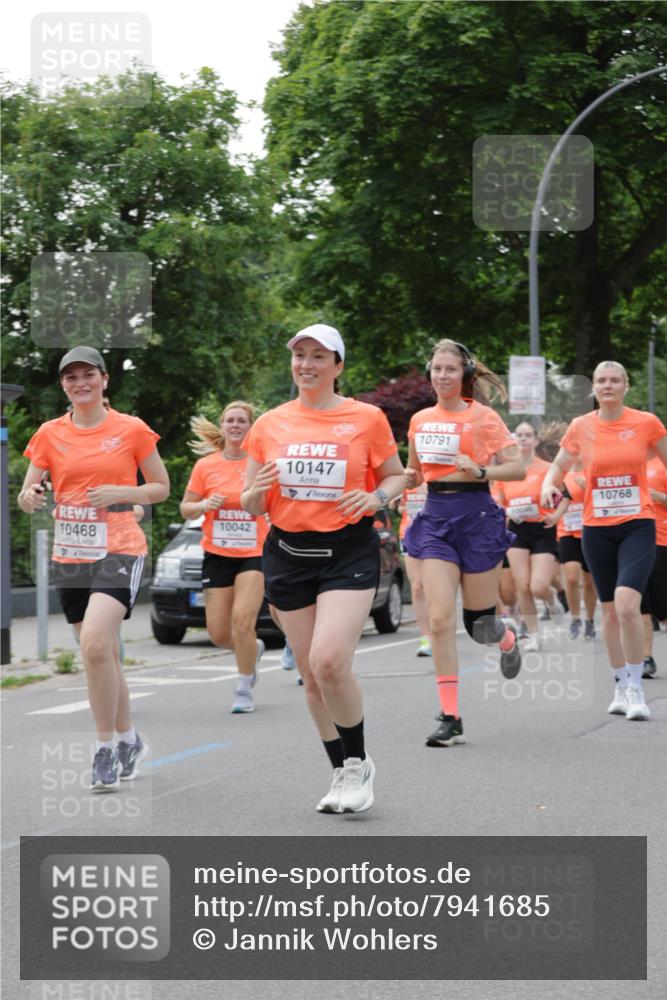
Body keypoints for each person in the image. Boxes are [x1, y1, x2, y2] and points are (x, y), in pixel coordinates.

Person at [241, 324, 404, 813]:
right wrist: (257, 491)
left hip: (347, 551)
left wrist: (375, 498)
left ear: (338, 366)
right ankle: (341, 769)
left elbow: (396, 476)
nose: (306, 364)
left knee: (329, 661)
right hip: (288, 553)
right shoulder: (269, 424)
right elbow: (250, 502)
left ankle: (357, 764)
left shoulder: (366, 418)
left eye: (318, 356)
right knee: (312, 675)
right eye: (300, 355)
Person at [18, 346, 169, 790]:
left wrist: (123, 492)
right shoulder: (49, 433)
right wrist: (30, 497)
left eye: (88, 375)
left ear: (104, 380)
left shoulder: (131, 429)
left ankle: (104, 750)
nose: (80, 383)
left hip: (120, 548)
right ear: (63, 386)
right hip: (71, 554)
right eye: (71, 377)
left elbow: (160, 487)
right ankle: (130, 740)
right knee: (99, 654)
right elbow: (28, 493)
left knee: (97, 644)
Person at [403, 339, 525, 748]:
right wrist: (405, 478)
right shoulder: (420, 420)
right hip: (436, 519)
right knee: (439, 620)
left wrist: (481, 470)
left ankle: (506, 638)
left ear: (465, 374)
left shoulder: (483, 417)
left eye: (450, 369)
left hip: (477, 518)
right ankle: (450, 717)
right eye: (437, 369)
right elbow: (415, 471)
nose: (442, 376)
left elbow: (518, 468)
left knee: (479, 626)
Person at [542, 360, 667, 721]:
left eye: (614, 380)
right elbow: (559, 466)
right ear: (593, 388)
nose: (607, 385)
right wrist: (549, 483)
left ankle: (637, 689)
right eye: (601, 380)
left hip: (637, 524)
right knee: (610, 610)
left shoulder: (646, 423)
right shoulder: (581, 426)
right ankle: (620, 685)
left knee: (628, 604)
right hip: (596, 528)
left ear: (626, 386)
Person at [180, 403, 268, 714]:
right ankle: (252, 648)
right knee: (218, 634)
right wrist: (204, 506)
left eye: (242, 420)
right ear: (222, 426)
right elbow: (185, 508)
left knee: (242, 621)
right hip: (217, 554)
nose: (235, 425)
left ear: (250, 427)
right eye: (230, 420)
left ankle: (243, 688)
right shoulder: (206, 466)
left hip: (254, 552)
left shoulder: (261, 463)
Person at [496, 421, 565, 651]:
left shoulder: (547, 469)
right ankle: (534, 635)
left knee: (538, 586)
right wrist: (505, 512)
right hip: (517, 530)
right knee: (522, 586)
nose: (523, 438)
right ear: (514, 441)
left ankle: (551, 597)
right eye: (519, 435)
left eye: (528, 435)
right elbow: (499, 502)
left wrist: (556, 514)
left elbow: (564, 495)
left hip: (542, 528)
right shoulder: (508, 471)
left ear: (535, 441)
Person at [553, 462, 597, 640]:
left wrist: (589, 488)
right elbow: (553, 500)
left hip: (591, 531)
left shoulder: (592, 469)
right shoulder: (559, 474)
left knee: (589, 582)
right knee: (571, 578)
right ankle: (575, 618)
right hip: (567, 531)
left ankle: (590, 620)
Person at [395, 484, 431, 656]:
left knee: (435, 586)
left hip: (436, 535)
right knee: (417, 587)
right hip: (409, 533)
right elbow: (397, 506)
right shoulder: (406, 478)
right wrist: (401, 506)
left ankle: (441, 627)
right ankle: (426, 637)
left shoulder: (437, 475)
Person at [640, 456, 667, 677]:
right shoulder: (626, 464)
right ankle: (646, 658)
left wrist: (660, 497)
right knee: (639, 604)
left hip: (661, 539)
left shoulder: (662, 463)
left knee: (662, 605)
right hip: (632, 542)